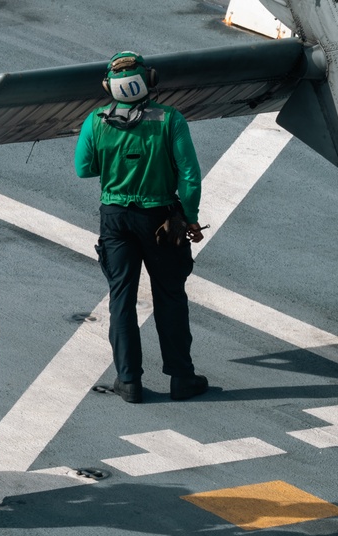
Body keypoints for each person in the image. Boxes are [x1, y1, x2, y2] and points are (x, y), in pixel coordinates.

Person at [75, 51, 209, 403]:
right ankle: (181, 377)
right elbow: (189, 175)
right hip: (160, 218)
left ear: (109, 87)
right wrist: (191, 215)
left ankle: (129, 381)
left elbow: (83, 168)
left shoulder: (96, 120)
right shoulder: (170, 120)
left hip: (115, 218)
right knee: (170, 296)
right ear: (149, 80)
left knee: (121, 298)